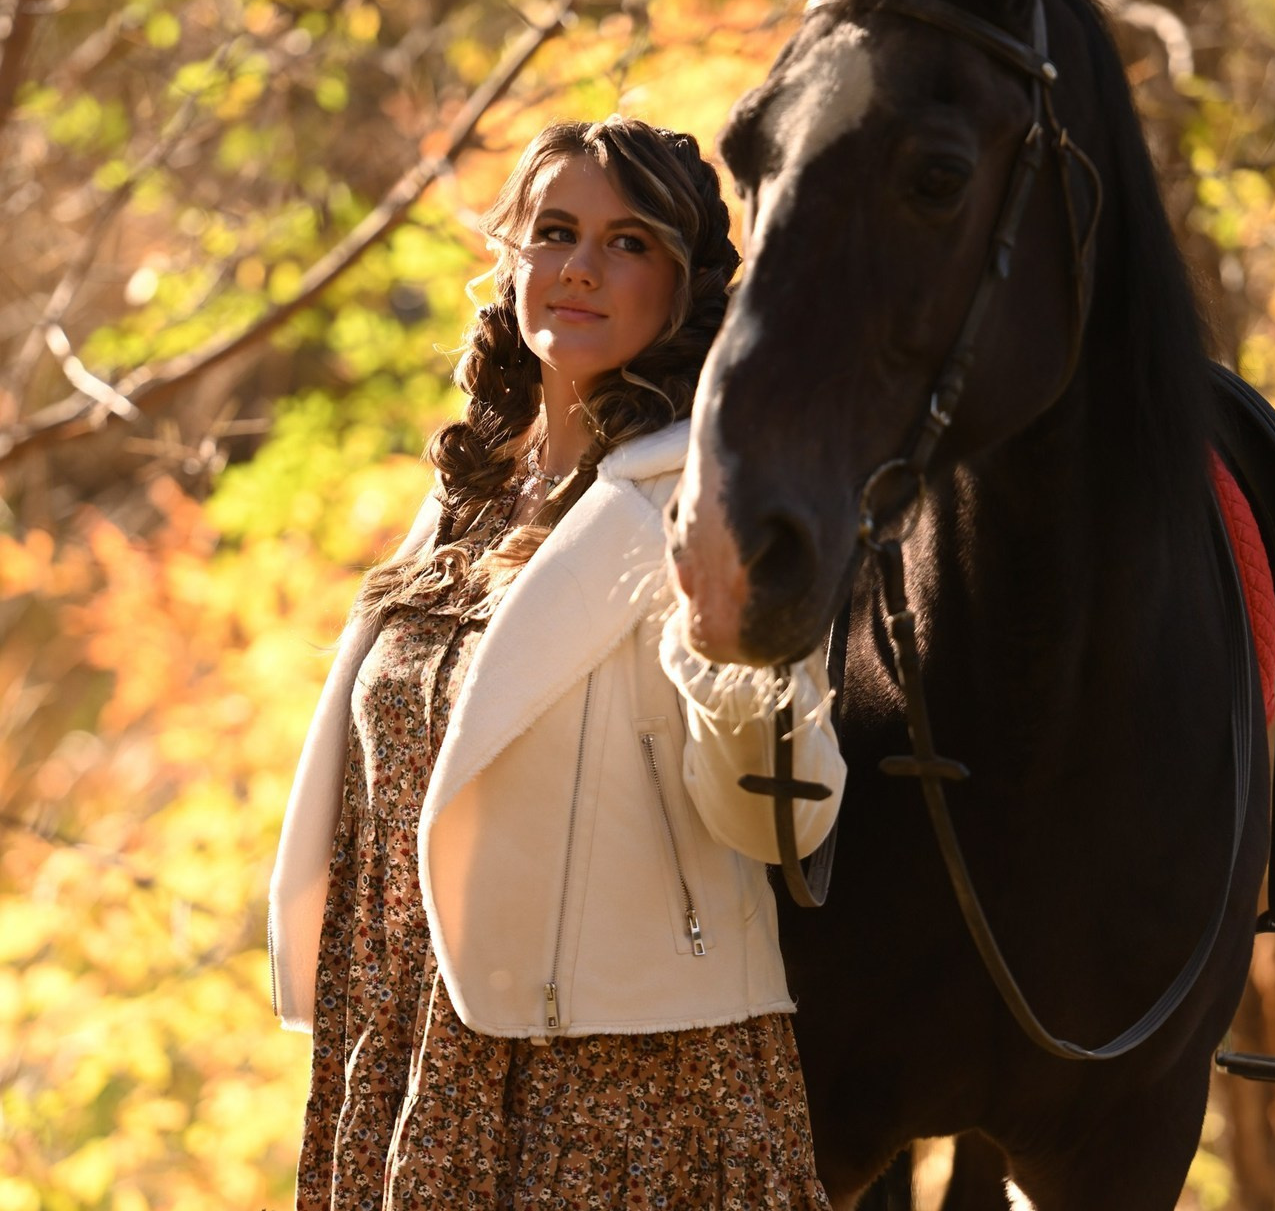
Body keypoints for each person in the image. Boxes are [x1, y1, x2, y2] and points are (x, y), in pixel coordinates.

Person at [268, 116, 845, 1209]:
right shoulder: (464, 493)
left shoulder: (713, 493)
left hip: (628, 1072)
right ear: (513, 256)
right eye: (554, 231)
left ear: (683, 288)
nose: (579, 266)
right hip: (408, 1048)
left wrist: (729, 647)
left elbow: (783, 818)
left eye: (628, 243)